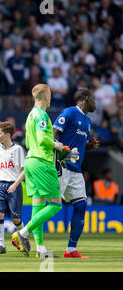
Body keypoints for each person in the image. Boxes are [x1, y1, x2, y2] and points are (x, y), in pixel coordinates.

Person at [11, 84, 64, 258]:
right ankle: (23, 233)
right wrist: (57, 145)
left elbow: (29, 141)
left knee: (38, 206)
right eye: (50, 94)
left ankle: (40, 249)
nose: (51, 97)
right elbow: (42, 139)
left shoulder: (30, 115)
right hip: (42, 162)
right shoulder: (41, 114)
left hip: (31, 161)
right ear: (46, 96)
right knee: (56, 205)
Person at [53, 88, 100, 258]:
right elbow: (54, 132)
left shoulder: (87, 121)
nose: (95, 102)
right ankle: (25, 234)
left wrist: (90, 145)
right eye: (93, 99)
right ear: (86, 99)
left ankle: (71, 249)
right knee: (51, 206)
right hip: (62, 166)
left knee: (81, 205)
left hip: (76, 169)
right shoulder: (70, 112)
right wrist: (57, 153)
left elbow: (78, 146)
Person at [0, 121, 26, 254]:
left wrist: (15, 185)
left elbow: (24, 171)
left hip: (14, 184)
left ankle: (23, 238)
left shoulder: (17, 149)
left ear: (7, 135)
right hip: (0, 184)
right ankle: (1, 246)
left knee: (15, 218)